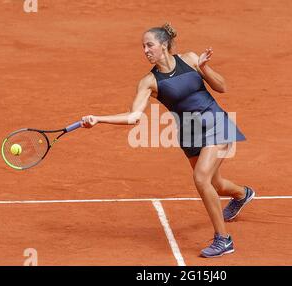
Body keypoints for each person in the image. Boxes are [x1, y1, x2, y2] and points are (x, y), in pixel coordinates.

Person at [81, 23, 255, 258]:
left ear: (164, 45)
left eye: (149, 45)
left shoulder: (191, 59)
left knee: (201, 178)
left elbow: (221, 87)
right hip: (190, 134)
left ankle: (223, 240)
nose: (145, 50)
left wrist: (205, 68)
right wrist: (98, 119)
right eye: (143, 46)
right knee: (215, 184)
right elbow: (133, 117)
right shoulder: (149, 82)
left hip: (216, 123)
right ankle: (242, 194)